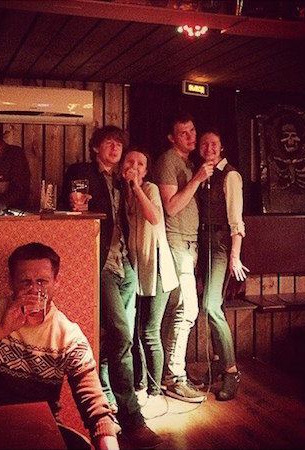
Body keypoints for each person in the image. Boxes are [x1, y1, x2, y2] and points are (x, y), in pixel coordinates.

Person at [0, 242, 119, 450]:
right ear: (11, 282)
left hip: (38, 431)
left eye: (42, 281)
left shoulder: (68, 336)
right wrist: (1, 329)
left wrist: (108, 440)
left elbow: (96, 408)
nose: (34, 290)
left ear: (56, 282)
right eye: (25, 282)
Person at [61, 126, 162, 449]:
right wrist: (76, 204)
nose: (116, 148)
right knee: (121, 334)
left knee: (118, 338)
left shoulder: (124, 181)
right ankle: (132, 419)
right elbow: (71, 207)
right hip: (100, 264)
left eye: (119, 144)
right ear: (95, 148)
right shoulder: (82, 172)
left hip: (126, 266)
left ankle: (108, 403)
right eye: (109, 143)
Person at [154, 111, 214, 403]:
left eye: (192, 131)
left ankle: (172, 374)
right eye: (184, 133)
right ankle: (174, 377)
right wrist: (198, 179)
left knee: (179, 310)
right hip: (176, 241)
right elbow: (172, 207)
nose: (191, 137)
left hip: (189, 243)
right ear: (171, 137)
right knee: (187, 310)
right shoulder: (168, 161)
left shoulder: (188, 163)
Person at [120, 147, 178, 419]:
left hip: (157, 268)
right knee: (133, 333)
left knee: (150, 332)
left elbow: (154, 217)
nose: (134, 166)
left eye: (140, 164)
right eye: (129, 162)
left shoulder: (150, 189)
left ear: (146, 170)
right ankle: (140, 386)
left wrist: (137, 187)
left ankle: (155, 393)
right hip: (135, 270)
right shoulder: (120, 194)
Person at [196, 128, 249, 401]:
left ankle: (231, 371)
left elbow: (236, 221)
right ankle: (218, 361)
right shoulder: (203, 174)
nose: (209, 148)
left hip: (220, 245)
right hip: (204, 242)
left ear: (222, 147)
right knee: (213, 306)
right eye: (204, 144)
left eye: (214, 143)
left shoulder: (230, 176)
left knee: (210, 306)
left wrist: (234, 255)